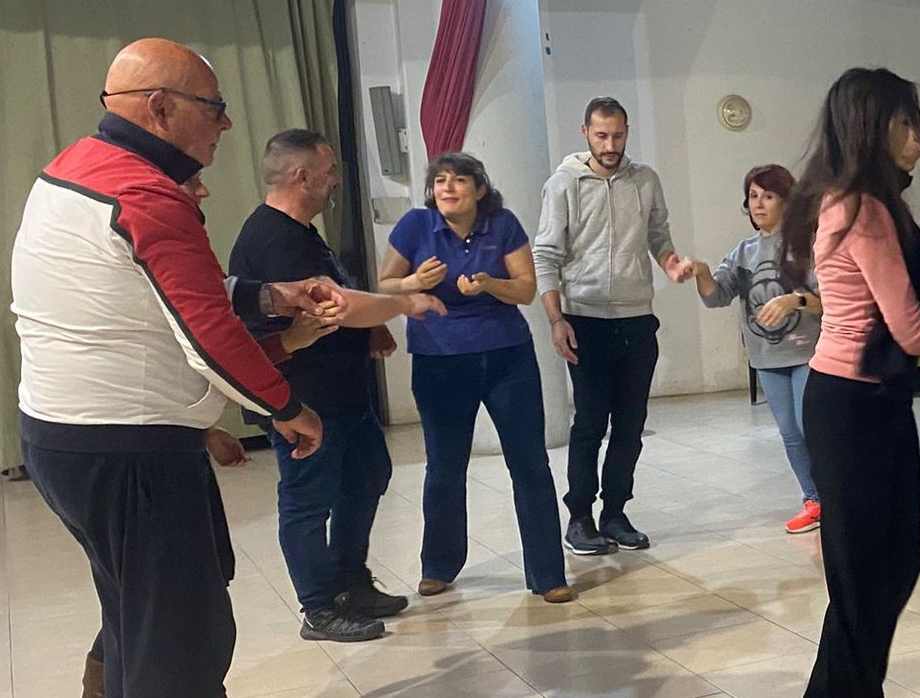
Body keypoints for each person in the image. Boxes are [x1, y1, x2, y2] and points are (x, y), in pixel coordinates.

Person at [13, 38, 334, 698]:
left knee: (141, 625)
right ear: (159, 108)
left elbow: (164, 288)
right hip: (126, 446)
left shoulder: (77, 169)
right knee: (171, 629)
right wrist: (286, 408)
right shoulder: (144, 192)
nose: (224, 124)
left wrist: (268, 294)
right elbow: (204, 330)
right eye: (213, 109)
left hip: (77, 437)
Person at [57, 171, 334, 698]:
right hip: (134, 444)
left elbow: (175, 342)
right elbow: (191, 345)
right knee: (152, 603)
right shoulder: (142, 236)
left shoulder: (145, 247)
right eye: (194, 180)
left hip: (166, 434)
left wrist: (206, 430)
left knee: (200, 584)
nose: (204, 191)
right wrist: (285, 358)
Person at [782, 68, 920, 698]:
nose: (917, 139)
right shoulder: (862, 208)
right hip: (852, 405)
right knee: (866, 581)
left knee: (887, 568)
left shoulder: (859, 200)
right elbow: (910, 328)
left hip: (865, 401)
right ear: (872, 128)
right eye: (905, 124)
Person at [230, 128, 446, 642]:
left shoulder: (302, 232)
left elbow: (339, 297)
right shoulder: (273, 237)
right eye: (328, 173)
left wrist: (369, 328)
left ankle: (350, 581)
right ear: (301, 176)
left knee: (368, 473)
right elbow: (335, 304)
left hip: (343, 392)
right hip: (304, 398)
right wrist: (403, 303)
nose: (334, 182)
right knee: (308, 500)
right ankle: (319, 607)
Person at [381, 153, 571, 603]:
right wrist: (413, 282)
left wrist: (489, 284)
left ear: (479, 189)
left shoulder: (502, 224)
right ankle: (438, 565)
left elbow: (525, 288)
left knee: (529, 464)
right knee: (444, 467)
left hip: (507, 358)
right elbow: (384, 284)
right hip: (440, 361)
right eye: (440, 181)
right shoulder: (415, 225)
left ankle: (547, 574)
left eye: (459, 180)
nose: (447, 188)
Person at [533, 96, 692, 556]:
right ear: (585, 132)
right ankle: (580, 517)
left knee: (630, 423)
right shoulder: (563, 184)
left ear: (627, 132)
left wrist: (670, 263)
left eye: (618, 135)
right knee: (589, 422)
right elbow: (546, 255)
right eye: (601, 135)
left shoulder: (645, 180)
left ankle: (616, 512)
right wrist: (556, 319)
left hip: (637, 319)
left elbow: (658, 236)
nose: (610, 145)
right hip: (584, 319)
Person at [690, 164, 824, 534]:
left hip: (809, 353)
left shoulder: (808, 245)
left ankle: (838, 495)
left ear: (788, 201)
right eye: (753, 196)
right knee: (790, 433)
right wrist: (701, 273)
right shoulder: (743, 252)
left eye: (768, 196)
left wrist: (792, 300)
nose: (758, 204)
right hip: (766, 356)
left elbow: (827, 299)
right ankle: (814, 500)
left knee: (810, 427)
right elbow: (716, 296)